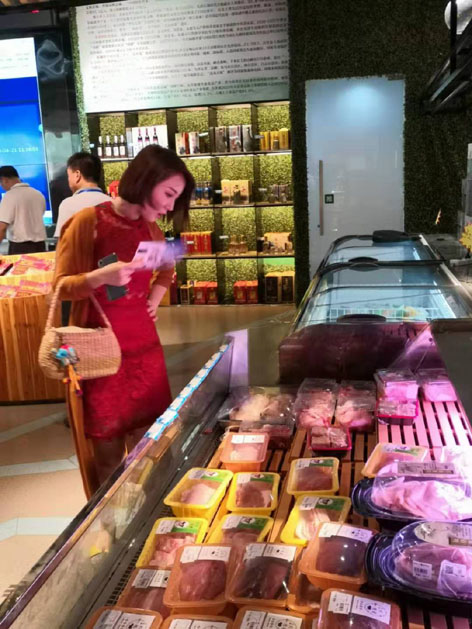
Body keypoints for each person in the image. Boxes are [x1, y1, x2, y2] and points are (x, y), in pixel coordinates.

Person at [54, 145, 194, 497]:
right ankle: (108, 523)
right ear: (145, 180)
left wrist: (153, 300)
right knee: (108, 455)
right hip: (101, 353)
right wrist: (100, 277)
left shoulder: (151, 230)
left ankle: (149, 516)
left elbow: (166, 271)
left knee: (152, 449)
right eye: (168, 194)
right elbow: (60, 286)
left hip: (144, 350)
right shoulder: (87, 223)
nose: (169, 207)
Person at [54, 152, 110, 237]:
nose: (68, 180)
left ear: (77, 175)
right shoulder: (112, 203)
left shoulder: (68, 205)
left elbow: (63, 240)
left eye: (69, 175)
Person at [0, 165, 47, 254]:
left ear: (5, 180)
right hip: (40, 246)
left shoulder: (9, 196)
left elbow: (2, 227)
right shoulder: (38, 194)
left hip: (20, 248)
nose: (1, 186)